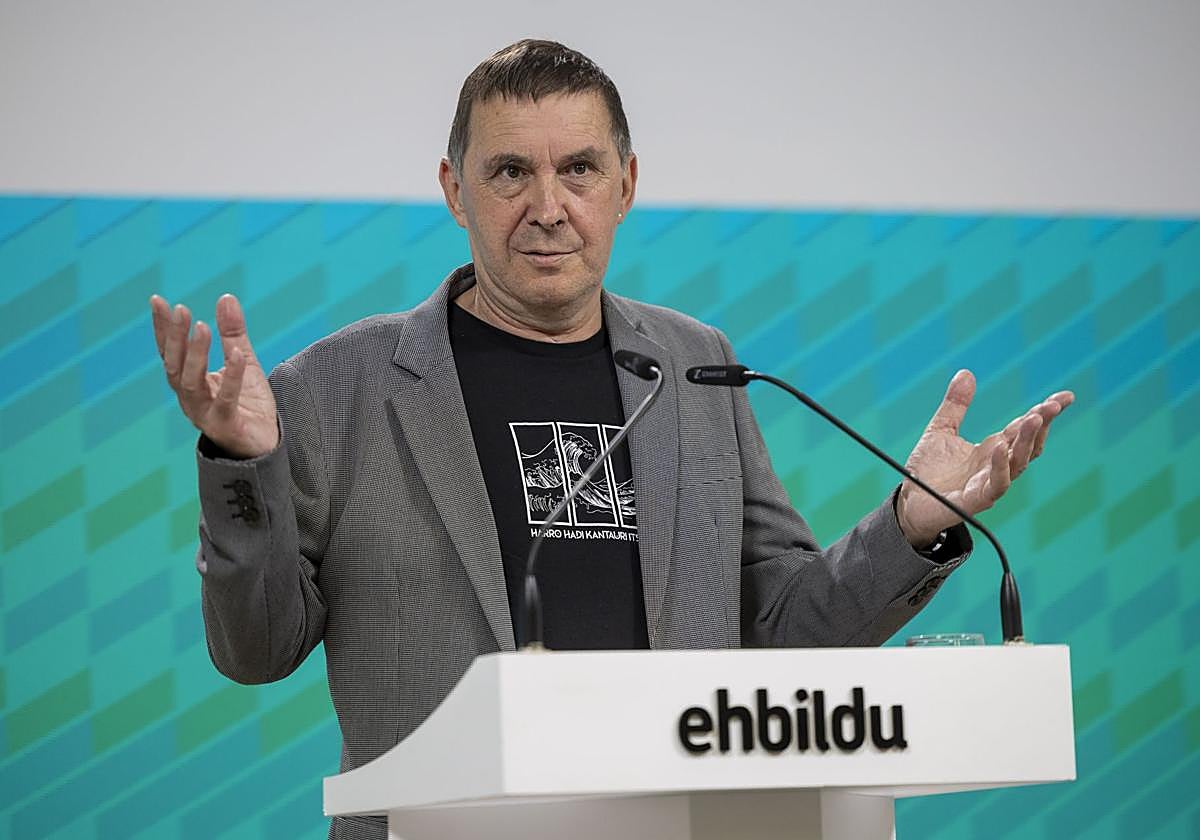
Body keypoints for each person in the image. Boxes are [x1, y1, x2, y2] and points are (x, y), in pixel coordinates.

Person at [149, 40, 1073, 840]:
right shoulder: (339, 386)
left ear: (626, 185)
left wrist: (912, 523)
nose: (548, 206)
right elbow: (256, 649)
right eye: (510, 172)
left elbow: (783, 630)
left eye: (580, 170)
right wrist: (240, 465)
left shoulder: (696, 368)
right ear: (454, 190)